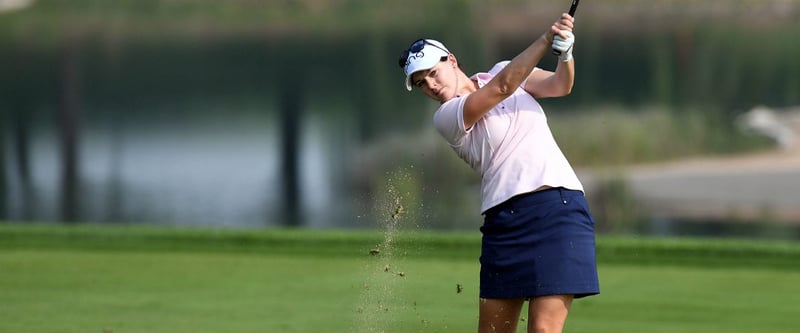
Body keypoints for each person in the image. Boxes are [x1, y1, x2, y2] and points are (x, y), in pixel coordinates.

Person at [397, 13, 599, 333]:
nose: (431, 86)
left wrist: (566, 54)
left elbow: (561, 85)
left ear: (452, 60)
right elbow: (504, 87)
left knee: (544, 330)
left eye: (433, 73)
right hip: (505, 220)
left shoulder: (500, 70)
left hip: (559, 208)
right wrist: (546, 38)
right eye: (421, 83)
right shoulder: (447, 116)